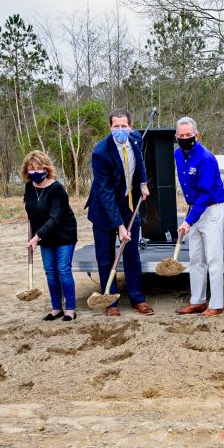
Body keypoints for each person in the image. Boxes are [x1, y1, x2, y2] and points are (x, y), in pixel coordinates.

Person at [87, 111, 153, 316]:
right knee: (106, 257)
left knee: (132, 253)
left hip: (128, 204)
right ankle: (111, 302)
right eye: (116, 126)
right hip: (103, 209)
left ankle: (137, 299)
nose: (120, 130)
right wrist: (120, 225)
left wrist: (142, 183)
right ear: (109, 128)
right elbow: (105, 193)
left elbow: (139, 163)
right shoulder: (100, 152)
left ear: (131, 127)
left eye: (124, 126)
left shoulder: (135, 140)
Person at [173, 116, 224, 316]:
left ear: (197, 135)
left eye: (189, 135)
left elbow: (205, 194)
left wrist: (188, 221)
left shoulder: (206, 158)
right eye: (181, 135)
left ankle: (216, 304)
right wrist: (190, 216)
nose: (185, 138)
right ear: (176, 136)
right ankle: (197, 301)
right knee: (196, 258)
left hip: (211, 209)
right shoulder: (178, 154)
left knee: (213, 258)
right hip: (194, 209)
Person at [23, 151, 79, 321]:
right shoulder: (28, 187)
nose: (35, 172)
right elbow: (28, 204)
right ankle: (56, 308)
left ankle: (70, 309)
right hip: (44, 235)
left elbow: (56, 217)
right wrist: (29, 213)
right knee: (50, 271)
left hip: (63, 234)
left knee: (63, 270)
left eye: (38, 168)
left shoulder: (57, 189)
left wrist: (36, 237)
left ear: (46, 168)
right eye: (31, 169)